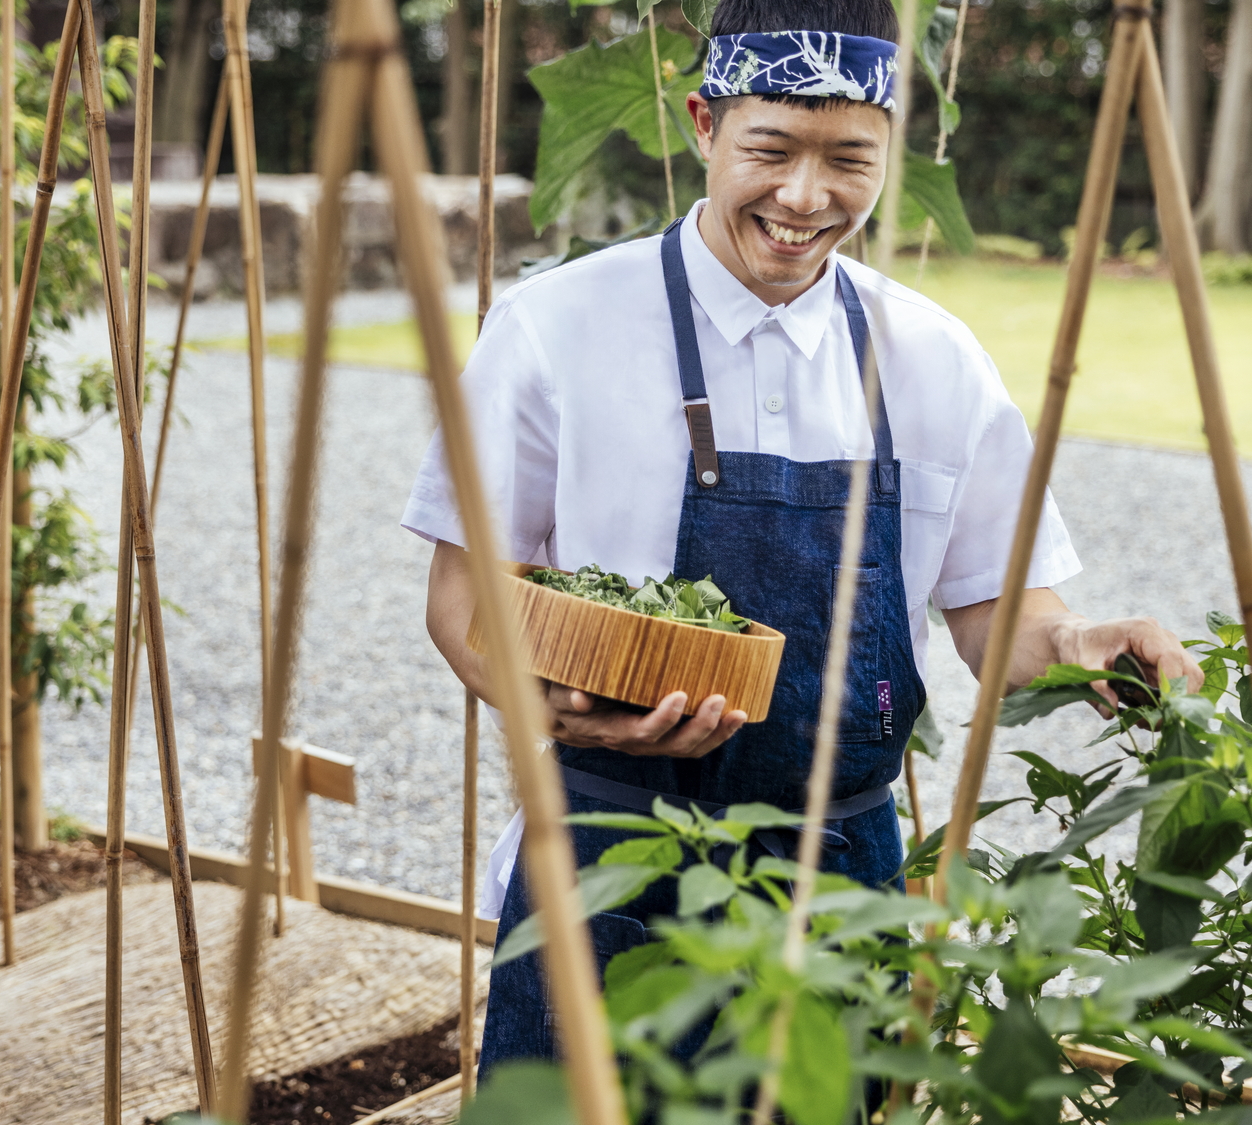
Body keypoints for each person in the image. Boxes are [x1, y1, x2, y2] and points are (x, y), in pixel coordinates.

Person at [400, 0, 1202, 1071]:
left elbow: (996, 623)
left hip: (845, 883)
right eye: (768, 149)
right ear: (701, 124)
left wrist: (1073, 647)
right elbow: (463, 605)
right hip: (612, 857)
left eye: (848, 160)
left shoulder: (931, 357)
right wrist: (560, 710)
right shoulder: (556, 327)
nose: (803, 198)